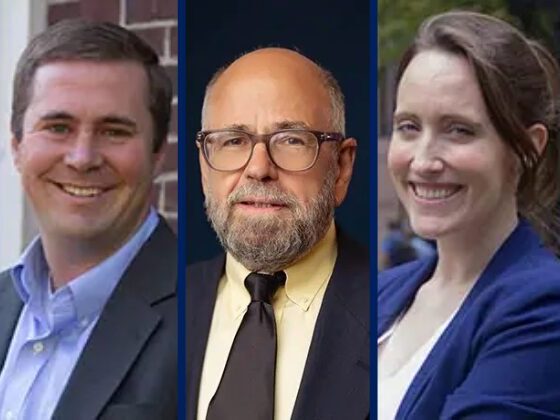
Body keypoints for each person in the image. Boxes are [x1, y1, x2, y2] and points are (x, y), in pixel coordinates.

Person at [378, 11, 560, 419]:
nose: (423, 161)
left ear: (527, 149)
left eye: (458, 130)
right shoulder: (378, 293)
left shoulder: (543, 309)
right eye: (408, 126)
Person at [0, 20, 177, 418]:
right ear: (17, 147)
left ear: (156, 155)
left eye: (114, 131)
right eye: (58, 127)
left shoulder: (214, 318)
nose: (82, 158)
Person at [186, 48, 369, 420]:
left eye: (291, 140)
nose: (258, 169)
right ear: (204, 166)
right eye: (233, 140)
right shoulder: (172, 303)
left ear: (342, 167)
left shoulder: (387, 307)